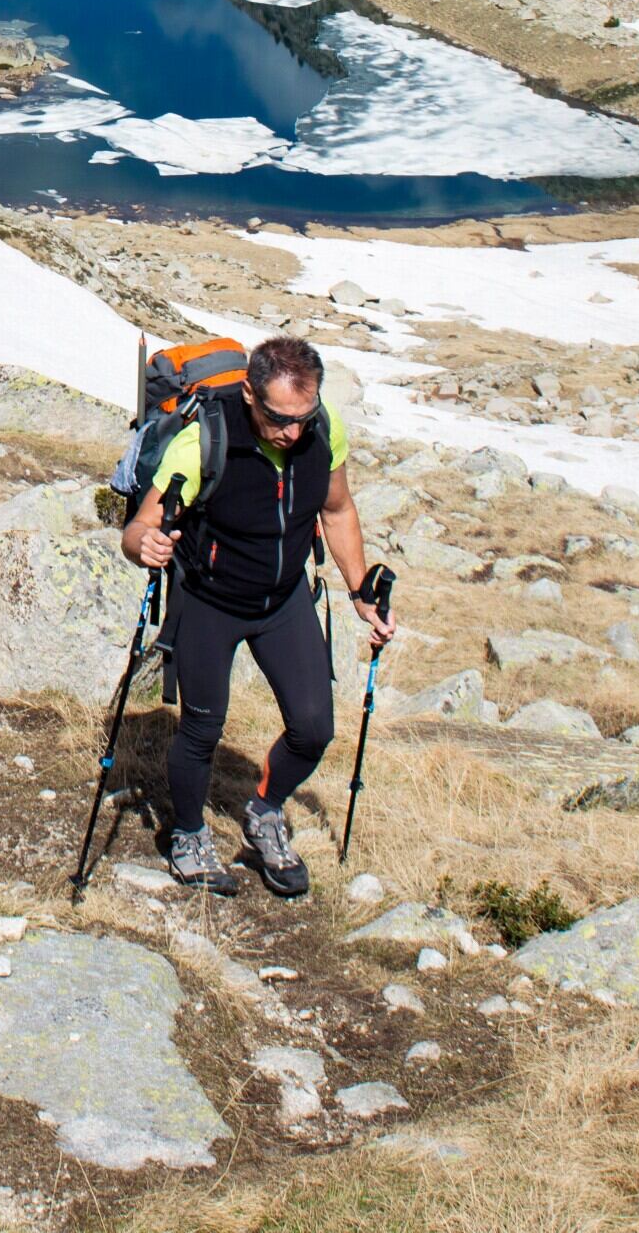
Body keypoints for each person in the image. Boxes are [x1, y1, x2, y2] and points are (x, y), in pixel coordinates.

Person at [117, 333, 394, 896]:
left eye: (303, 416)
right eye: (278, 418)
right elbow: (139, 526)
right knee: (202, 727)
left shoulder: (323, 430)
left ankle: (263, 812)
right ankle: (188, 835)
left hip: (284, 597)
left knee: (314, 728)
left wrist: (360, 588)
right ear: (249, 394)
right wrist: (143, 544)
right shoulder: (202, 439)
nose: (293, 431)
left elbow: (336, 509)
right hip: (209, 599)